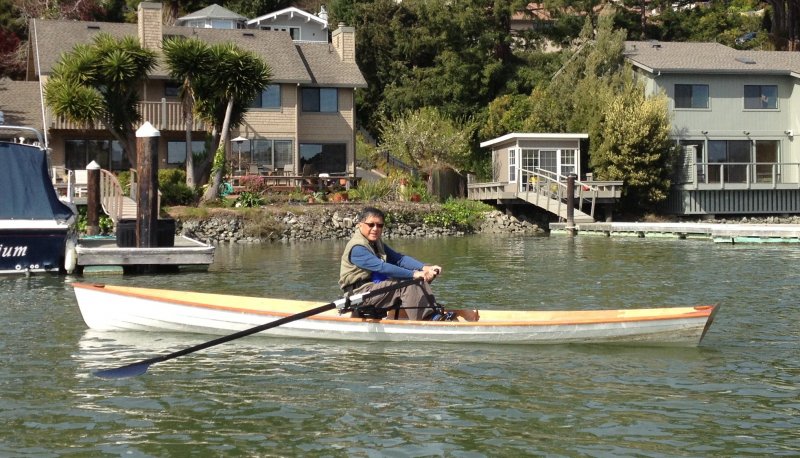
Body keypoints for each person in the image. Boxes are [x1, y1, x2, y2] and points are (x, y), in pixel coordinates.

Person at [339, 206, 443, 320]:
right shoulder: (357, 248)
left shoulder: (376, 243)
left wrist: (424, 268)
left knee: (417, 274)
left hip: (375, 288)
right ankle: (425, 319)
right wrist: (413, 274)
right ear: (360, 225)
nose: (375, 228)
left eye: (379, 225)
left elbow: (399, 259)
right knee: (407, 281)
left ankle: (432, 312)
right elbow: (382, 267)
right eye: (371, 224)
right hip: (359, 295)